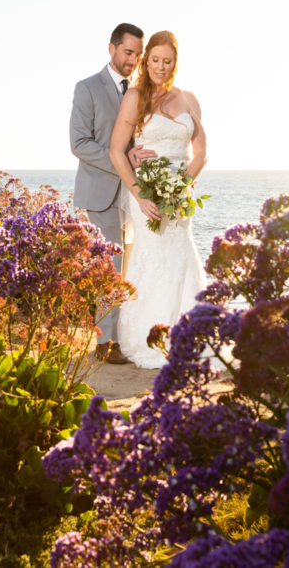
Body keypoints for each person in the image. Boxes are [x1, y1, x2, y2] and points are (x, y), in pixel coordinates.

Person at [108, 30, 207, 369]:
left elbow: (201, 152)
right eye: (155, 60)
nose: (161, 67)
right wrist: (139, 193)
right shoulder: (135, 97)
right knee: (151, 258)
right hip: (146, 196)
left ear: (175, 63)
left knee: (181, 255)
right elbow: (116, 152)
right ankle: (146, 335)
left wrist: (182, 188)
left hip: (179, 198)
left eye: (167, 61)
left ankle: (185, 334)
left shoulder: (189, 99)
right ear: (146, 60)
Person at [70, 23, 156, 364]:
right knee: (111, 267)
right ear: (111, 48)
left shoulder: (141, 91)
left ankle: (128, 335)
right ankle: (105, 344)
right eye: (127, 52)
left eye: (138, 54)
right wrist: (120, 160)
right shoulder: (87, 88)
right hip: (102, 190)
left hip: (135, 192)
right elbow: (79, 143)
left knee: (135, 266)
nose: (132, 60)